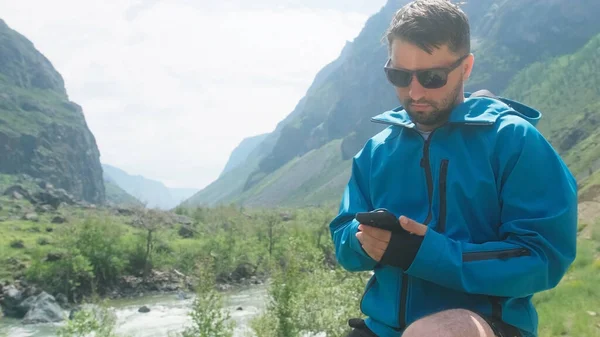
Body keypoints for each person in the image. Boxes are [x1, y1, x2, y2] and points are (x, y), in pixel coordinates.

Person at [328, 1, 578, 337]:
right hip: (381, 328)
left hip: (486, 324)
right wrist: (363, 243)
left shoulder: (515, 141)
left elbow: (544, 257)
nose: (414, 92)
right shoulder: (376, 151)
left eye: (432, 77)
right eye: (399, 76)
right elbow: (343, 237)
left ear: (466, 67)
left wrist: (427, 253)